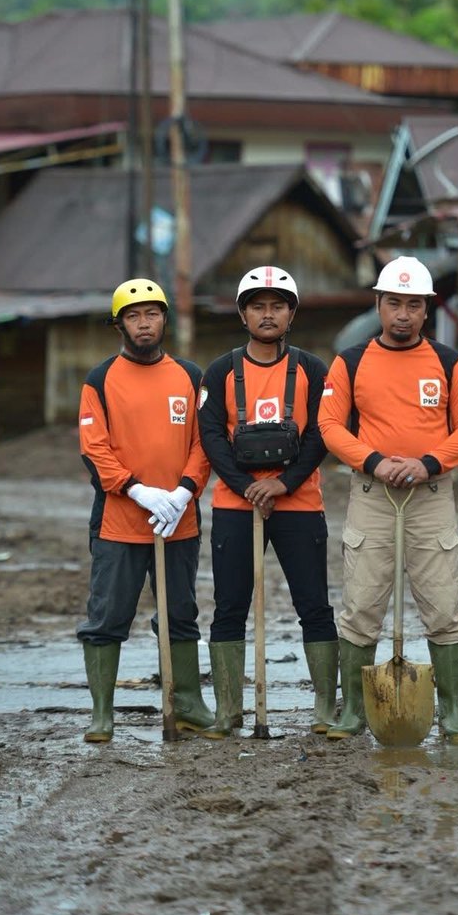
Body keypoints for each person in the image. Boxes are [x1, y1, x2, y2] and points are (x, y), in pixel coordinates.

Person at [317, 255, 458, 743]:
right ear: (379, 304)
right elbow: (329, 425)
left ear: (427, 309)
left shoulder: (450, 362)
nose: (404, 314)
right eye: (394, 303)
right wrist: (374, 460)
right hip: (371, 494)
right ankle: (352, 711)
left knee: (443, 604)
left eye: (414, 305)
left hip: (431, 495)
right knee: (362, 603)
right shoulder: (350, 360)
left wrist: (429, 462)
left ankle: (451, 711)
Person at [197, 266, 337, 736]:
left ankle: (324, 708)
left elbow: (322, 431)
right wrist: (245, 486)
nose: (268, 314)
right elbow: (212, 435)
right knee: (230, 607)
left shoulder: (313, 369)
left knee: (314, 604)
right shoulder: (219, 371)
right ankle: (229, 711)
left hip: (299, 503)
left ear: (292, 313)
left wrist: (284, 483)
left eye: (278, 305)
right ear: (242, 313)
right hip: (236, 506)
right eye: (258, 306)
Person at [77, 278, 214, 742]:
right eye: (133, 316)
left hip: (180, 522)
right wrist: (137, 490)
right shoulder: (100, 380)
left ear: (164, 319)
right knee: (107, 616)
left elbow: (204, 443)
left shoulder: (191, 376)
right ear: (119, 324)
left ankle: (189, 702)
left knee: (179, 614)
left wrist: (182, 493)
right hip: (120, 524)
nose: (143, 323)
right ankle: (102, 711)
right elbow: (95, 449)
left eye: (151, 313)